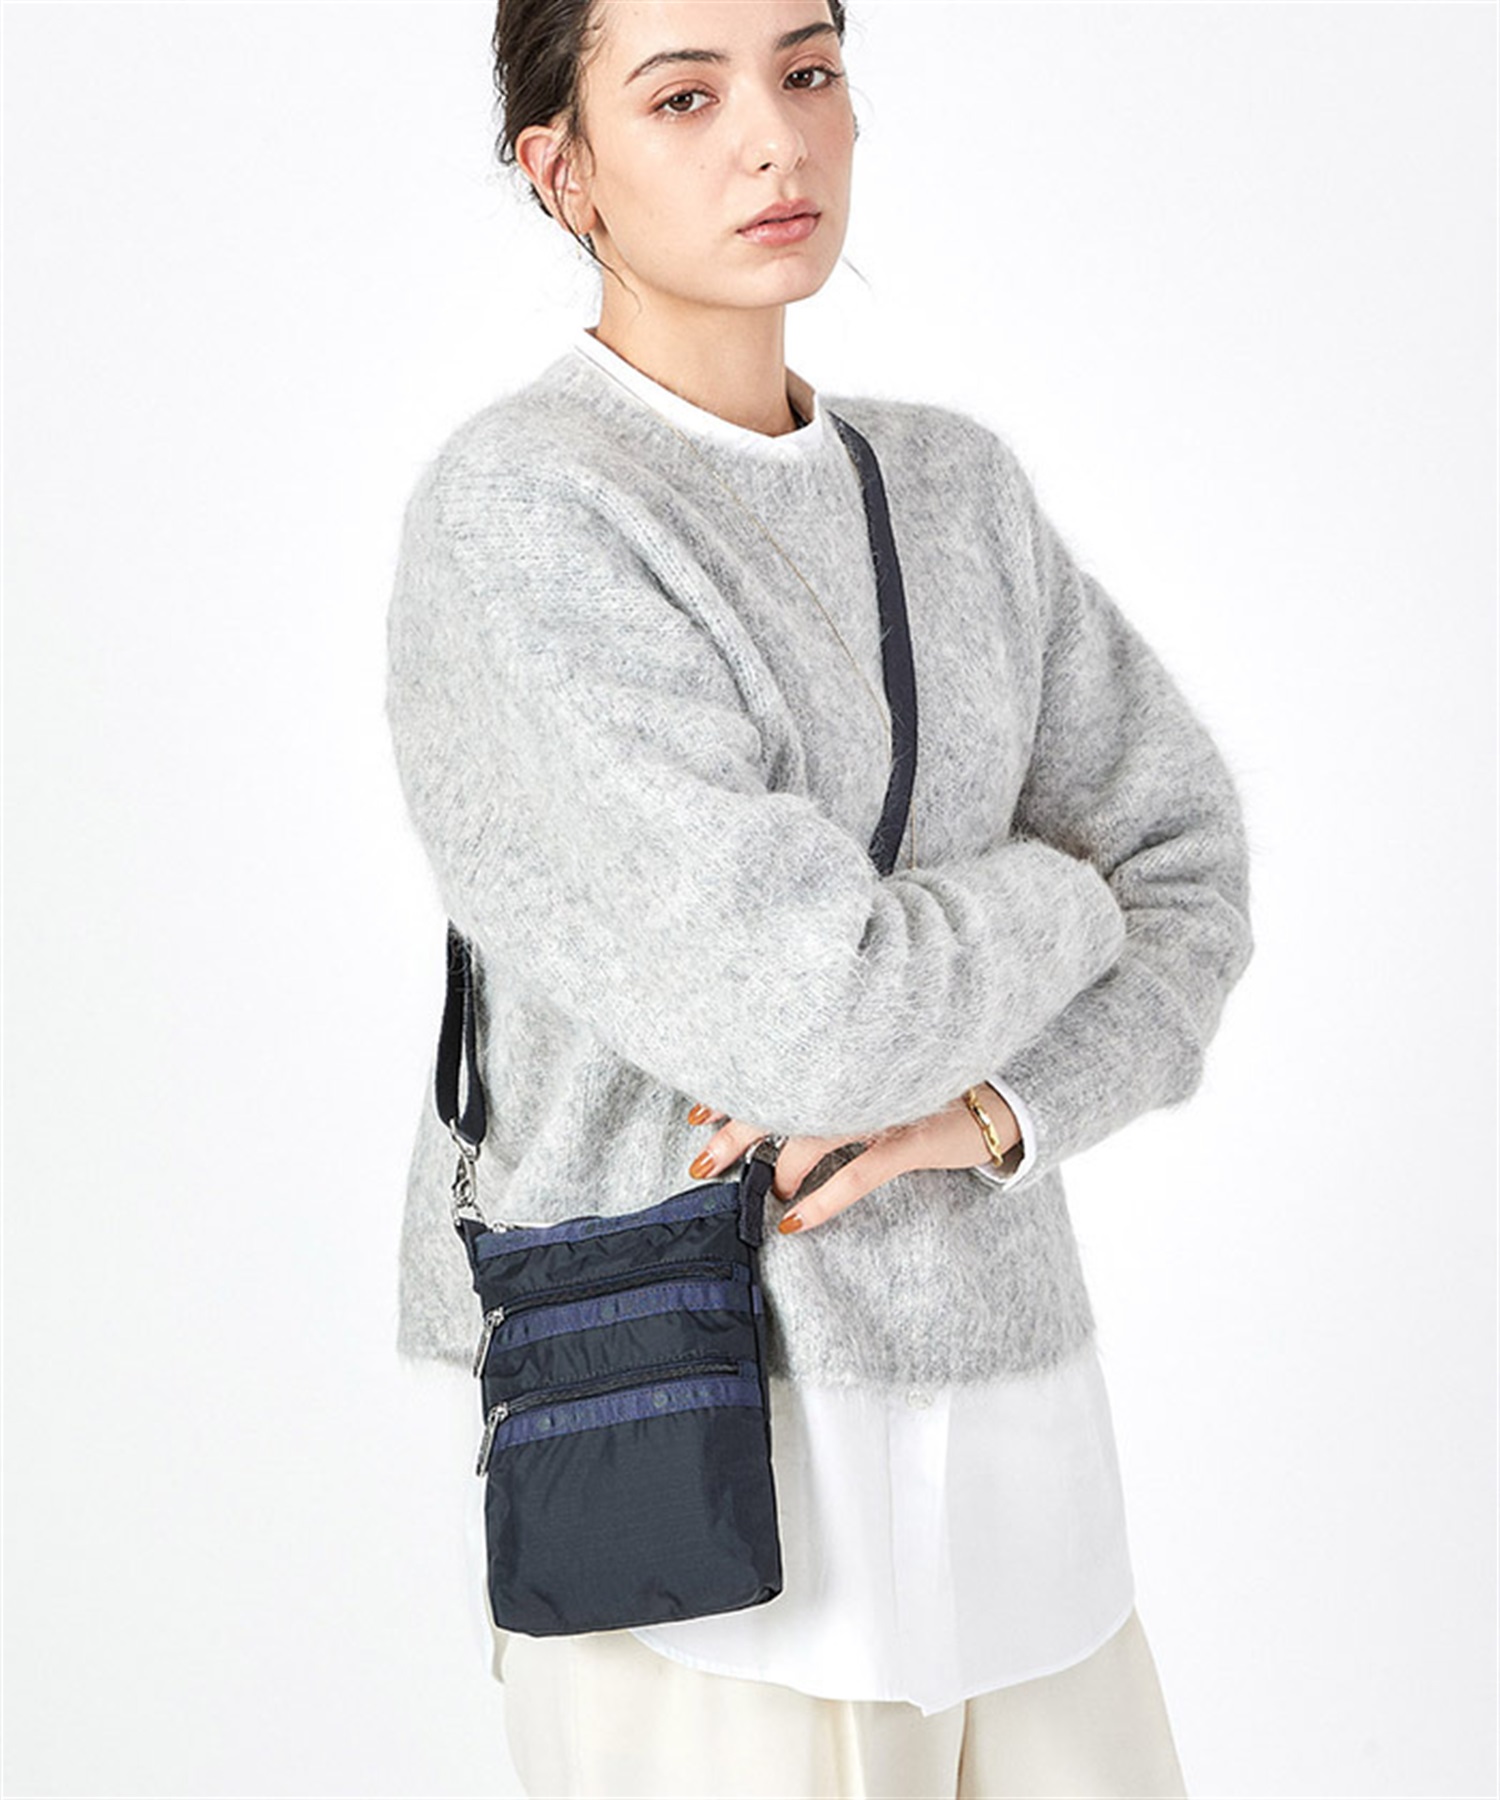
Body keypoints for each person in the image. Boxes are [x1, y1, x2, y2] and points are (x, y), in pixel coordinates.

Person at [384, 1, 1255, 1793]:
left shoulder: (956, 491)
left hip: (1027, 1478)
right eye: (683, 97)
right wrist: (1064, 893)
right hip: (700, 1486)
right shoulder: (529, 514)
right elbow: (813, 1015)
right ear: (561, 171)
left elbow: (1192, 872)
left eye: (808, 71)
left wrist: (996, 1111)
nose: (774, 136)